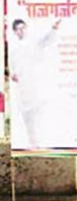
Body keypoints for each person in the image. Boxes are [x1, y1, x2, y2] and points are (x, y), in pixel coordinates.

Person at [9, 18, 62, 148]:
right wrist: (13, 74)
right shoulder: (14, 49)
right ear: (15, 32)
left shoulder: (33, 43)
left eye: (23, 28)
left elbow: (46, 40)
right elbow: (12, 68)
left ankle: (45, 141)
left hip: (37, 85)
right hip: (23, 89)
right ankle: (33, 143)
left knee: (41, 115)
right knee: (28, 117)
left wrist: (53, 28)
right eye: (18, 29)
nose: (21, 31)